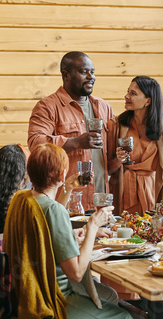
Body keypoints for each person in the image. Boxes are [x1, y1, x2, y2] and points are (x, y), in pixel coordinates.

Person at [5, 143, 131, 319]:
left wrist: (68, 189)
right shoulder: (52, 209)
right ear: (61, 174)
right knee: (124, 316)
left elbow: (46, 229)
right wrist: (93, 226)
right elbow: (77, 273)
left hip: (25, 295)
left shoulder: (22, 199)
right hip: (56, 298)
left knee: (110, 298)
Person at [28, 51, 114, 211]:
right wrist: (75, 142)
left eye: (92, 72)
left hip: (101, 203)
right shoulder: (47, 106)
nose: (91, 77)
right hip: (66, 205)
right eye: (84, 72)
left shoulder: (104, 107)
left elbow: (120, 136)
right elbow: (36, 145)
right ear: (66, 75)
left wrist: (157, 118)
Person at [0, 143, 110, 243]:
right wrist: (90, 231)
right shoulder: (21, 203)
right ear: (19, 172)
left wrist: (67, 188)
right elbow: (49, 231)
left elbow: (50, 223)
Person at [107, 76, 163, 215]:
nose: (126, 96)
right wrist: (118, 160)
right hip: (122, 190)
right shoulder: (115, 126)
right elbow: (108, 169)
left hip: (152, 191)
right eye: (128, 92)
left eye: (133, 93)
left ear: (148, 101)